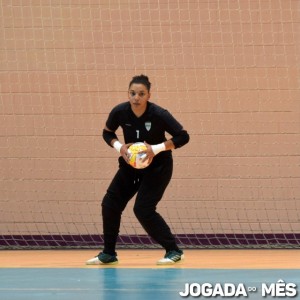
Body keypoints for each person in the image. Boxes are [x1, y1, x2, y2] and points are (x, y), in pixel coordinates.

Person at [86, 75, 190, 265]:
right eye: (133, 93)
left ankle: (174, 250)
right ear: (128, 94)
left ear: (148, 95)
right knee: (110, 203)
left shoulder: (159, 114)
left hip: (158, 167)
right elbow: (107, 132)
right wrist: (120, 147)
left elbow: (183, 137)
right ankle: (108, 253)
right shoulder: (119, 112)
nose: (136, 97)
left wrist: (155, 149)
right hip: (131, 165)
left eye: (141, 94)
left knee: (143, 209)